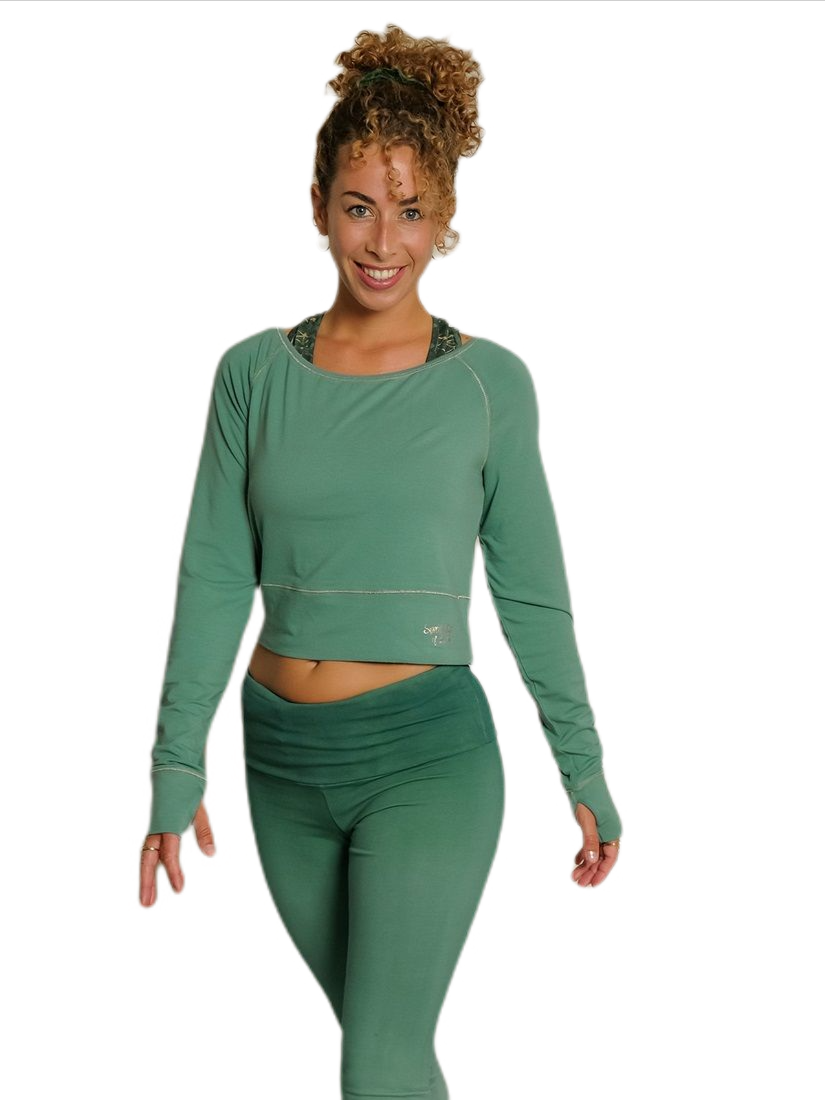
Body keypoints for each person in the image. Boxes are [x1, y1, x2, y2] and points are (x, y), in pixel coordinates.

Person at [139, 23, 623, 1100]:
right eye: (359, 205)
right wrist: (177, 765)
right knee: (389, 1057)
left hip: (425, 758)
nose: (383, 240)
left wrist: (581, 767)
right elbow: (212, 575)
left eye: (411, 211)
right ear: (318, 204)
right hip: (280, 762)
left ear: (445, 218)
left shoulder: (489, 385)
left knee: (377, 1062)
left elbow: (533, 594)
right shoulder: (251, 376)